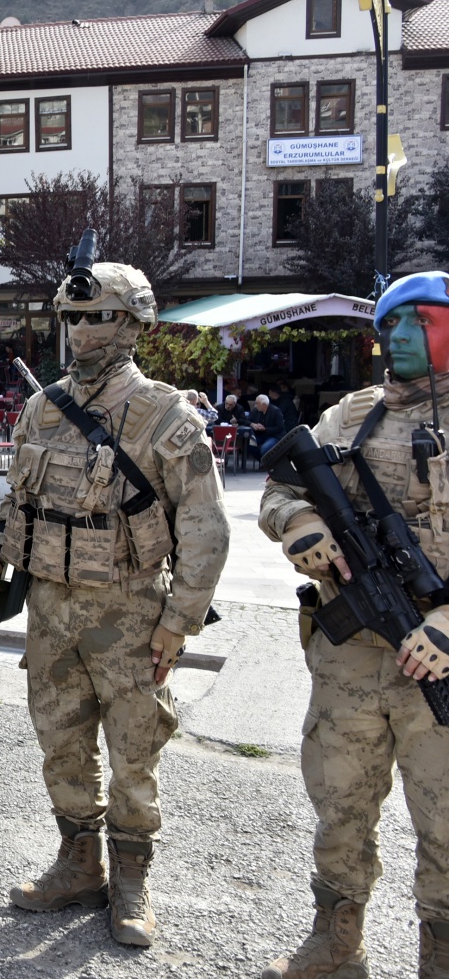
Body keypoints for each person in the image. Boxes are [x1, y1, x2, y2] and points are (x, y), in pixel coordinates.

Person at [0, 260, 228, 946]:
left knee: (134, 752)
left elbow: (206, 529)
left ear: (134, 324)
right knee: (61, 744)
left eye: (98, 317)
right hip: (50, 613)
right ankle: (80, 862)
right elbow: (18, 501)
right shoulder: (42, 407)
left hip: (130, 614)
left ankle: (132, 880)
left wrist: (178, 622)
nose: (81, 331)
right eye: (73, 317)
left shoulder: (165, 415)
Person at [257, 271, 449, 979]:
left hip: (439, 657)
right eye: (389, 323)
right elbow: (279, 489)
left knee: (447, 824)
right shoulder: (350, 416)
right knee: (340, 807)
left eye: (419, 320)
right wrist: (298, 523)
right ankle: (337, 945)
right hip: (353, 656)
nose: (400, 335)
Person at [249, 394, 287, 461]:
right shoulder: (255, 410)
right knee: (249, 444)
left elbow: (280, 428)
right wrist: (253, 424)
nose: (255, 405)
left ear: (264, 405)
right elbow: (248, 420)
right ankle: (264, 462)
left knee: (264, 449)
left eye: (257, 403)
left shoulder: (276, 411)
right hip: (260, 434)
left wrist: (265, 429)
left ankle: (267, 463)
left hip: (274, 436)